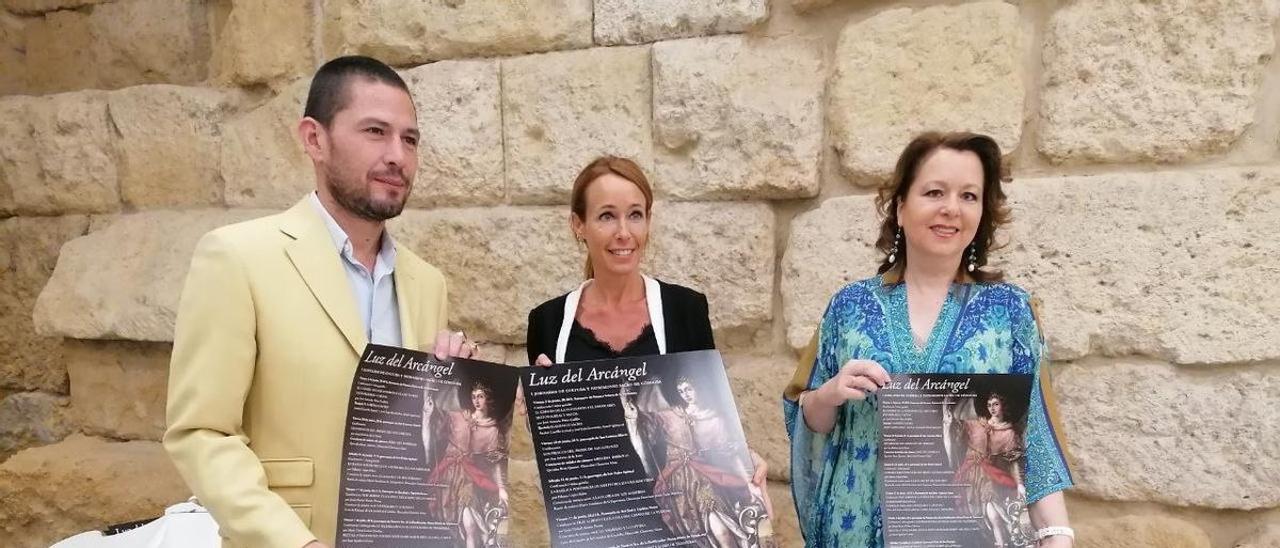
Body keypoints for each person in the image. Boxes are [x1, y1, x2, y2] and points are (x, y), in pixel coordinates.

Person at [164, 55, 476, 548]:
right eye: (375, 131)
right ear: (315, 139)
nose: (397, 155)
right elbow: (202, 433)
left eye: (410, 139)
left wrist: (453, 393)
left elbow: (417, 442)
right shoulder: (238, 258)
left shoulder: (426, 282)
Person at [782, 132, 1075, 547]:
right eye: (934, 191)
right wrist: (829, 393)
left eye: (969, 196)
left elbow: (1036, 442)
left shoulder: (1010, 312)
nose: (951, 208)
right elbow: (807, 420)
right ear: (901, 207)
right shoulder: (849, 306)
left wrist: (1057, 536)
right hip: (856, 529)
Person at [523, 155, 771, 536]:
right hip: (596, 524)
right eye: (607, 216)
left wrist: (746, 464)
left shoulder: (684, 310)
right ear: (579, 225)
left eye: (635, 214)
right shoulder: (547, 323)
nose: (624, 232)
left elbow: (707, 407)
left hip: (681, 510)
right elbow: (560, 453)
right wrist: (537, 409)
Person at [623, 375, 770, 548]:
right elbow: (647, 430)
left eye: (689, 389)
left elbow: (732, 450)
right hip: (677, 482)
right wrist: (631, 414)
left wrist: (750, 466)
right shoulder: (672, 414)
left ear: (698, 387)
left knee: (724, 532)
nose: (685, 394)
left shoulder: (715, 418)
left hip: (704, 478)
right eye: (681, 391)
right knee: (700, 539)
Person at [422, 382, 509, 548]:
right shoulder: (459, 416)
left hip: (470, 477)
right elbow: (438, 432)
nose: (476, 400)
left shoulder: (492, 430)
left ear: (488, 399)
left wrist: (502, 487)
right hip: (449, 473)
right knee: (457, 527)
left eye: (480, 396)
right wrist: (429, 413)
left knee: (470, 525)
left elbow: (495, 462)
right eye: (474, 396)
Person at [944, 392, 1030, 547]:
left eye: (996, 404)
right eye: (989, 405)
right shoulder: (978, 424)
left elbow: (1013, 462)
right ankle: (1000, 542)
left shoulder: (1009, 433)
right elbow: (956, 430)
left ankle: (1003, 542)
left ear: (1003, 406)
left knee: (994, 513)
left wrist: (1019, 484)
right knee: (983, 516)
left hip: (990, 475)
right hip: (970, 474)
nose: (992, 408)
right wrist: (949, 423)